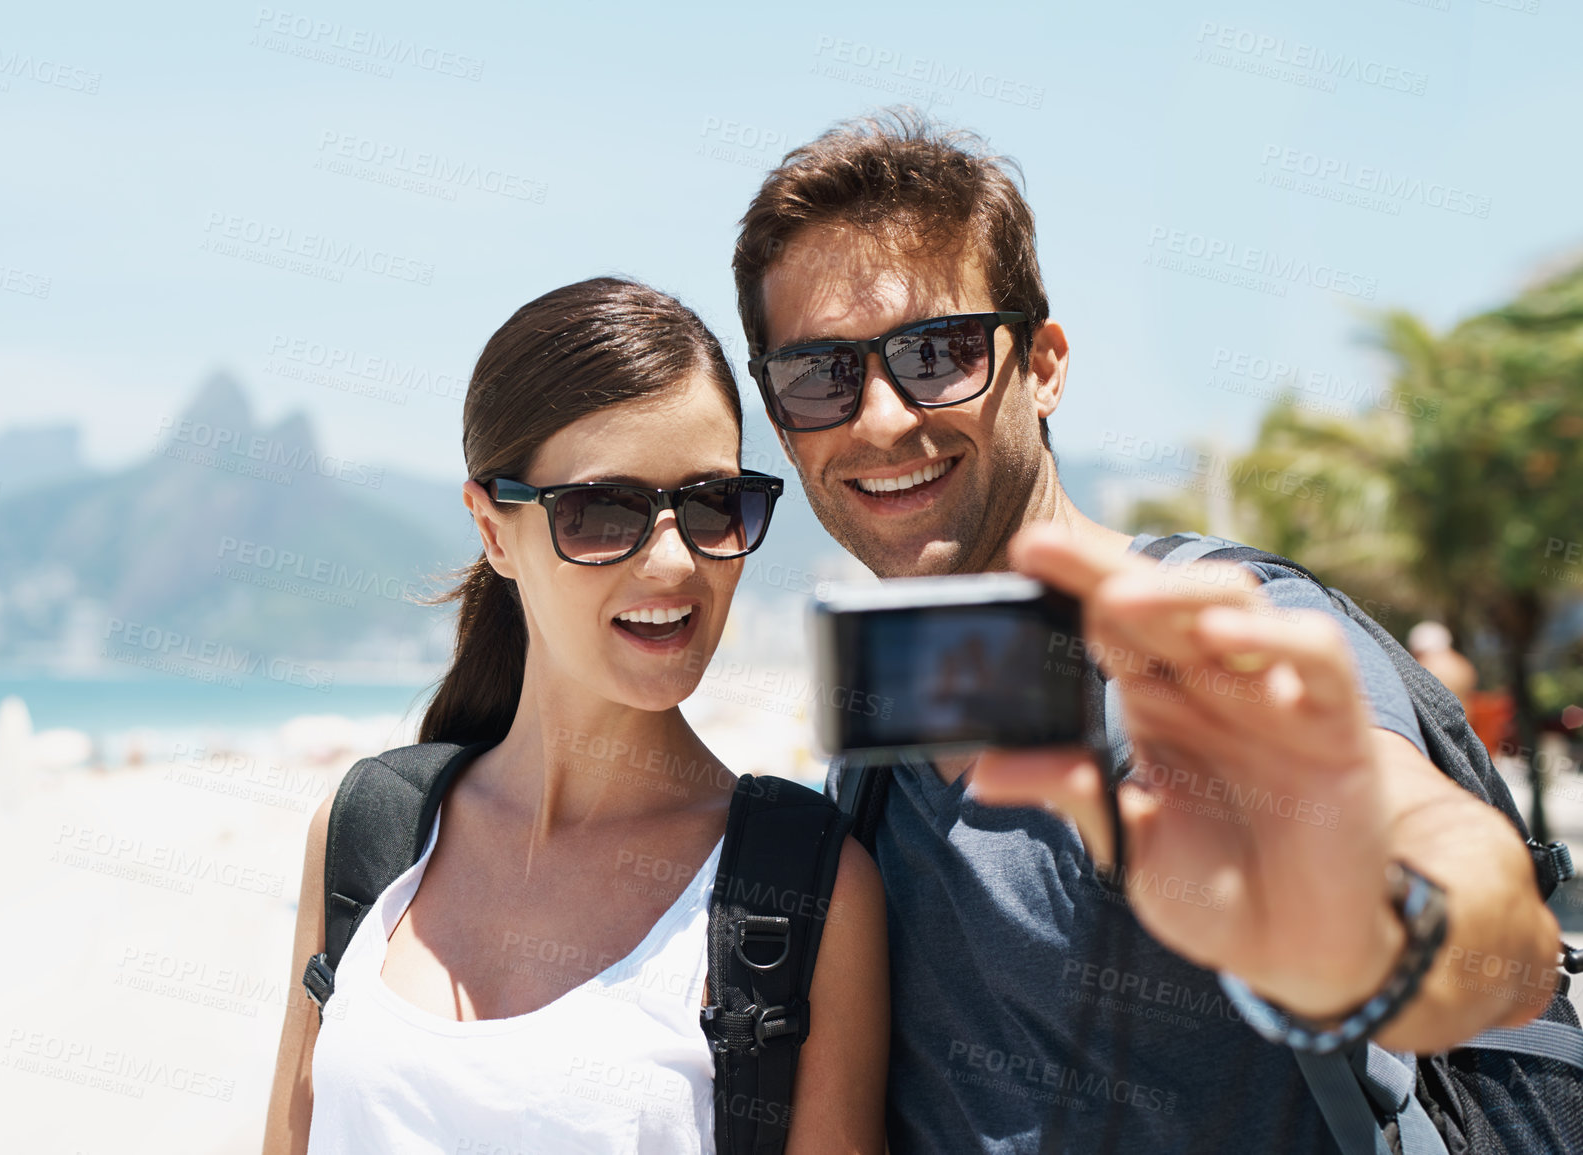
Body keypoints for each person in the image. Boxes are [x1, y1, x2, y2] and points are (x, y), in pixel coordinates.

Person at [732, 112, 1560, 1153]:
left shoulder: (1215, 639)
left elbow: (1490, 930)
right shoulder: (881, 740)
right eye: (820, 375)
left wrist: (1361, 944)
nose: (882, 418)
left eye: (936, 353)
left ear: (1043, 364)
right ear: (780, 419)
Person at [263, 278, 889, 1155]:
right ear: (492, 529)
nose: (674, 560)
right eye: (603, 512)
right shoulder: (369, 832)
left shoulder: (805, 889)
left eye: (713, 504)